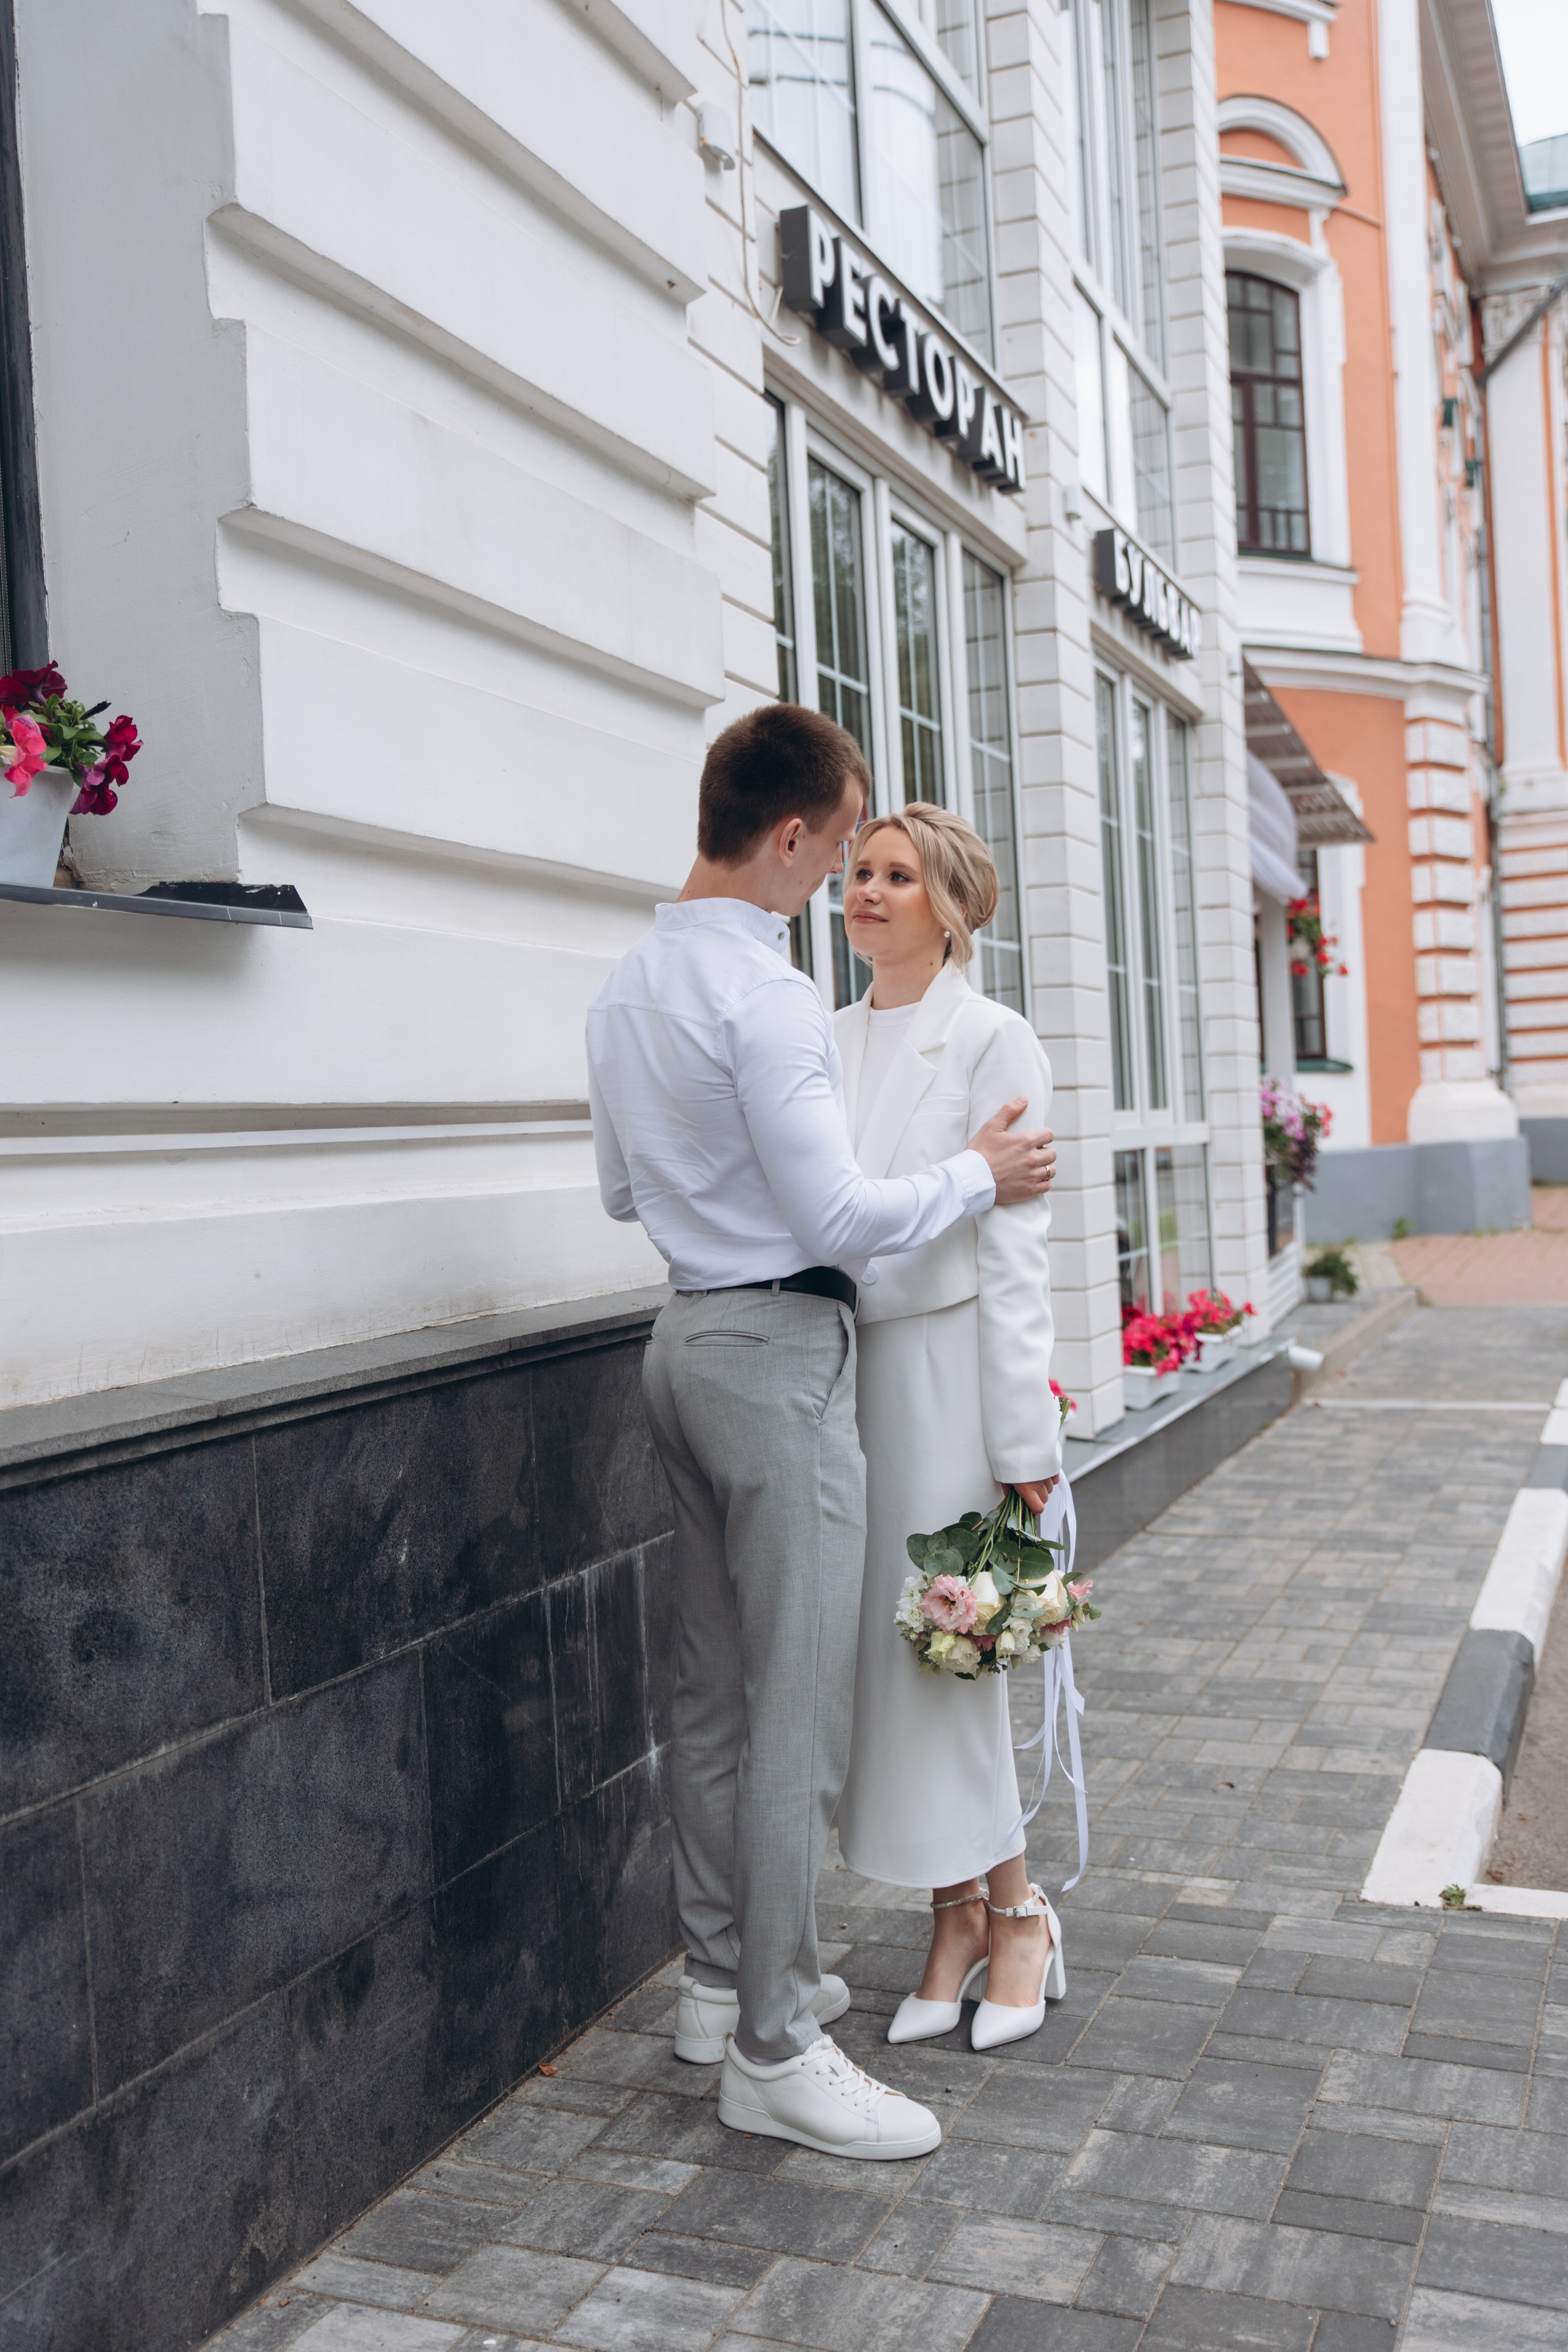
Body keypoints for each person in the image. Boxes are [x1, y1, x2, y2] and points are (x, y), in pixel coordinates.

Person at [586, 704, 1056, 2160]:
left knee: (710, 1698)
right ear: (789, 836)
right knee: (793, 1710)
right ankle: (779, 2046)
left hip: (678, 1339)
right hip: (778, 1351)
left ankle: (717, 1989)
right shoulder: (773, 995)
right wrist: (974, 1175)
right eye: (845, 847)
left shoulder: (624, 986)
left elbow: (620, 1191)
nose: (845, 877)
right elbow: (841, 1219)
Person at [834, 805, 1066, 2052]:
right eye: (858, 871)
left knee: (953, 1652)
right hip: (849, 1382)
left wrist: (1022, 1441)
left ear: (952, 906)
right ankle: (954, 1915)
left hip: (950, 1385)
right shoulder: (823, 1039)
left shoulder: (991, 1035)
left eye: (895, 875)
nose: (865, 891)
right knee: (889, 1665)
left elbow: (1016, 1253)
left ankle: (1019, 1915)